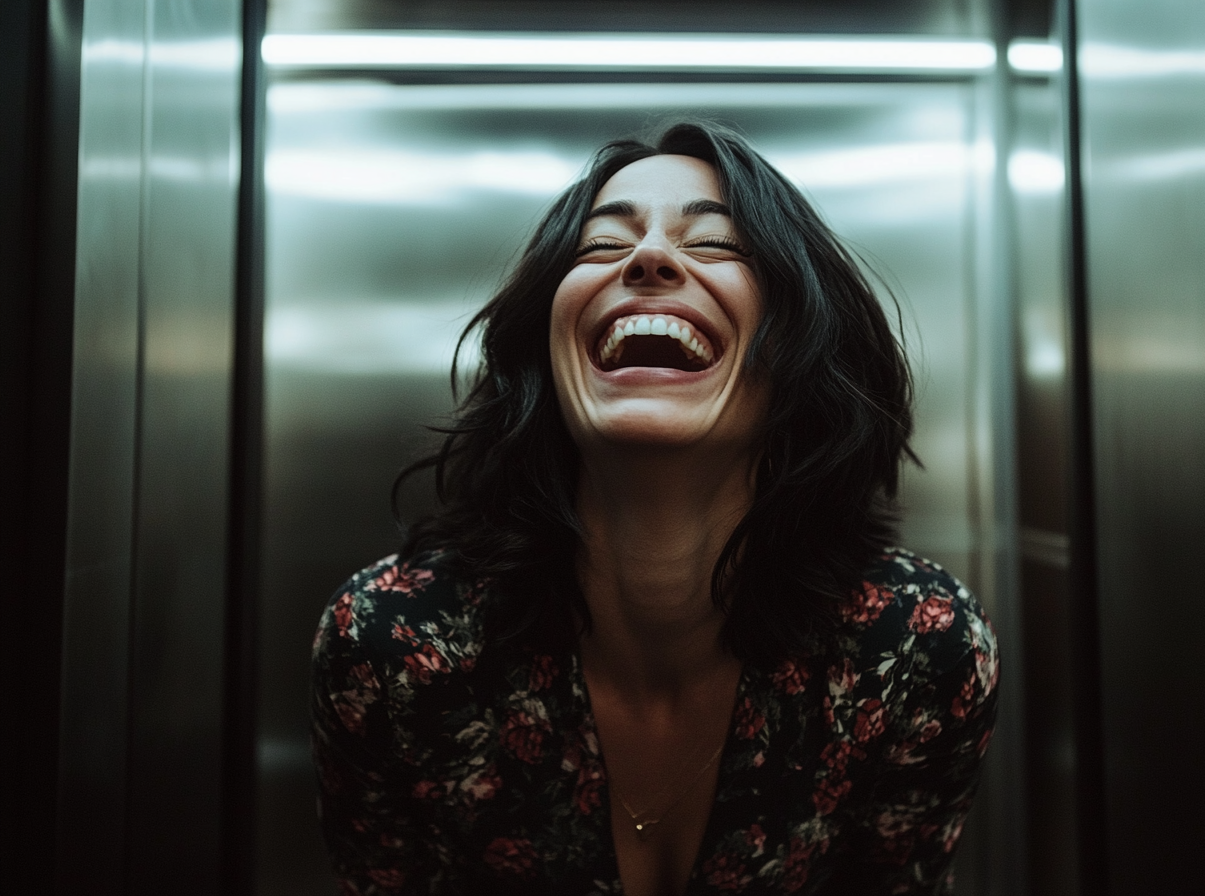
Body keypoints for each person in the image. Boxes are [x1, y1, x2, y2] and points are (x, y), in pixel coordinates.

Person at [311, 121, 998, 896]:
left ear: (797, 343)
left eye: (716, 244)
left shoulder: (912, 651)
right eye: (601, 245)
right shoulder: (391, 650)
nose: (648, 256)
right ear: (545, 348)